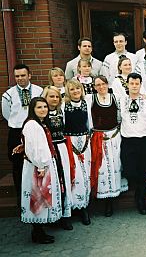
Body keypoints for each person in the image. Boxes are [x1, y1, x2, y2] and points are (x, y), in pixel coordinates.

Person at [21, 97, 63, 244]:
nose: (43, 109)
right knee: (38, 197)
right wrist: (41, 166)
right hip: (37, 167)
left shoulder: (39, 124)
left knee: (41, 197)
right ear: (32, 109)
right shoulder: (32, 125)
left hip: (42, 165)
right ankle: (37, 232)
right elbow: (34, 149)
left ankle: (40, 231)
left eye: (45, 107)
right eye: (39, 107)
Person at [2, 64, 43, 206]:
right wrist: (18, 124)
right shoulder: (8, 94)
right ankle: (22, 201)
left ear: (29, 75)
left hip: (35, 131)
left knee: (37, 163)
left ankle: (39, 199)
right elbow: (6, 114)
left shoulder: (39, 90)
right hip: (16, 132)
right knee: (18, 165)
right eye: (17, 76)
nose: (20, 78)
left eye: (23, 75)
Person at [90, 76, 128, 217]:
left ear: (107, 84)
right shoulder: (91, 99)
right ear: (94, 87)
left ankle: (115, 194)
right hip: (99, 138)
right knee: (103, 167)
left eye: (103, 84)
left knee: (116, 165)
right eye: (98, 85)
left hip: (114, 136)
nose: (101, 87)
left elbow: (120, 116)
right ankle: (106, 200)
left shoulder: (115, 97)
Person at [119, 73, 146, 215]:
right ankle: (135, 191)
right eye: (132, 83)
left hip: (144, 140)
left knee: (144, 171)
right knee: (129, 170)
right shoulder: (121, 100)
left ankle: (141, 199)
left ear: (140, 85)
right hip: (128, 141)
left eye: (137, 84)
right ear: (127, 85)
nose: (134, 86)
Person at [42, 86, 73, 230]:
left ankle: (66, 216)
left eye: (56, 97)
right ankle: (53, 216)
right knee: (52, 183)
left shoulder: (62, 112)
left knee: (64, 180)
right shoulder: (42, 113)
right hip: (49, 150)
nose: (54, 99)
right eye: (51, 96)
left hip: (61, 148)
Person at [63, 79, 92, 225]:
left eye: (78, 89)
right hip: (70, 142)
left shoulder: (86, 103)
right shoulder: (64, 105)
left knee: (85, 172)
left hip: (85, 141)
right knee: (75, 174)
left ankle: (84, 206)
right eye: (72, 89)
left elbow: (89, 123)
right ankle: (73, 206)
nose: (75, 92)